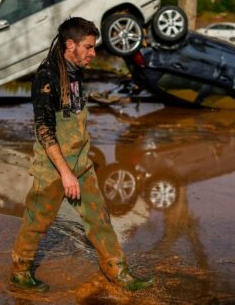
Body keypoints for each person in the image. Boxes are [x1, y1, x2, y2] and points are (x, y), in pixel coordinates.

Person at [10, 17, 154, 292]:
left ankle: (117, 270)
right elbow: (44, 130)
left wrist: (80, 166)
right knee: (36, 222)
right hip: (53, 167)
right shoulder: (47, 77)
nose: (93, 53)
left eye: (94, 47)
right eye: (88, 47)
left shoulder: (76, 72)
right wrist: (65, 174)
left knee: (99, 218)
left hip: (81, 163)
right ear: (70, 45)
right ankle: (20, 272)